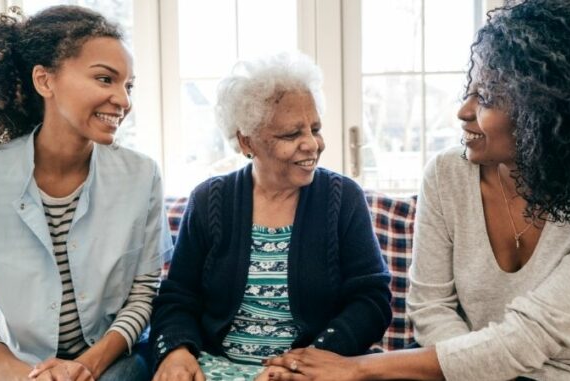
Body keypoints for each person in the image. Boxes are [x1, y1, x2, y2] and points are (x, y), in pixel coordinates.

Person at [264, 0, 570, 380]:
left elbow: (533, 336)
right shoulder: (448, 174)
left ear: (551, 116)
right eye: (471, 89)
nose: (463, 111)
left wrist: (359, 368)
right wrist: (468, 371)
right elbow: (431, 307)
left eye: (486, 98)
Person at [149, 52, 392, 381]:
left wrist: (308, 361)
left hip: (312, 368)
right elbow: (178, 297)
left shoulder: (342, 197)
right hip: (217, 368)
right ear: (246, 141)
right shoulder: (210, 199)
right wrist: (177, 351)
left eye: (315, 128)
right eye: (291, 135)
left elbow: (371, 301)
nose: (312, 144)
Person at [0, 5, 172, 381]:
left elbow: (144, 293)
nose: (124, 101)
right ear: (45, 81)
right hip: (20, 367)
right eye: (105, 79)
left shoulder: (142, 175)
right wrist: (32, 377)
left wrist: (85, 367)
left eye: (128, 86)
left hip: (113, 361)